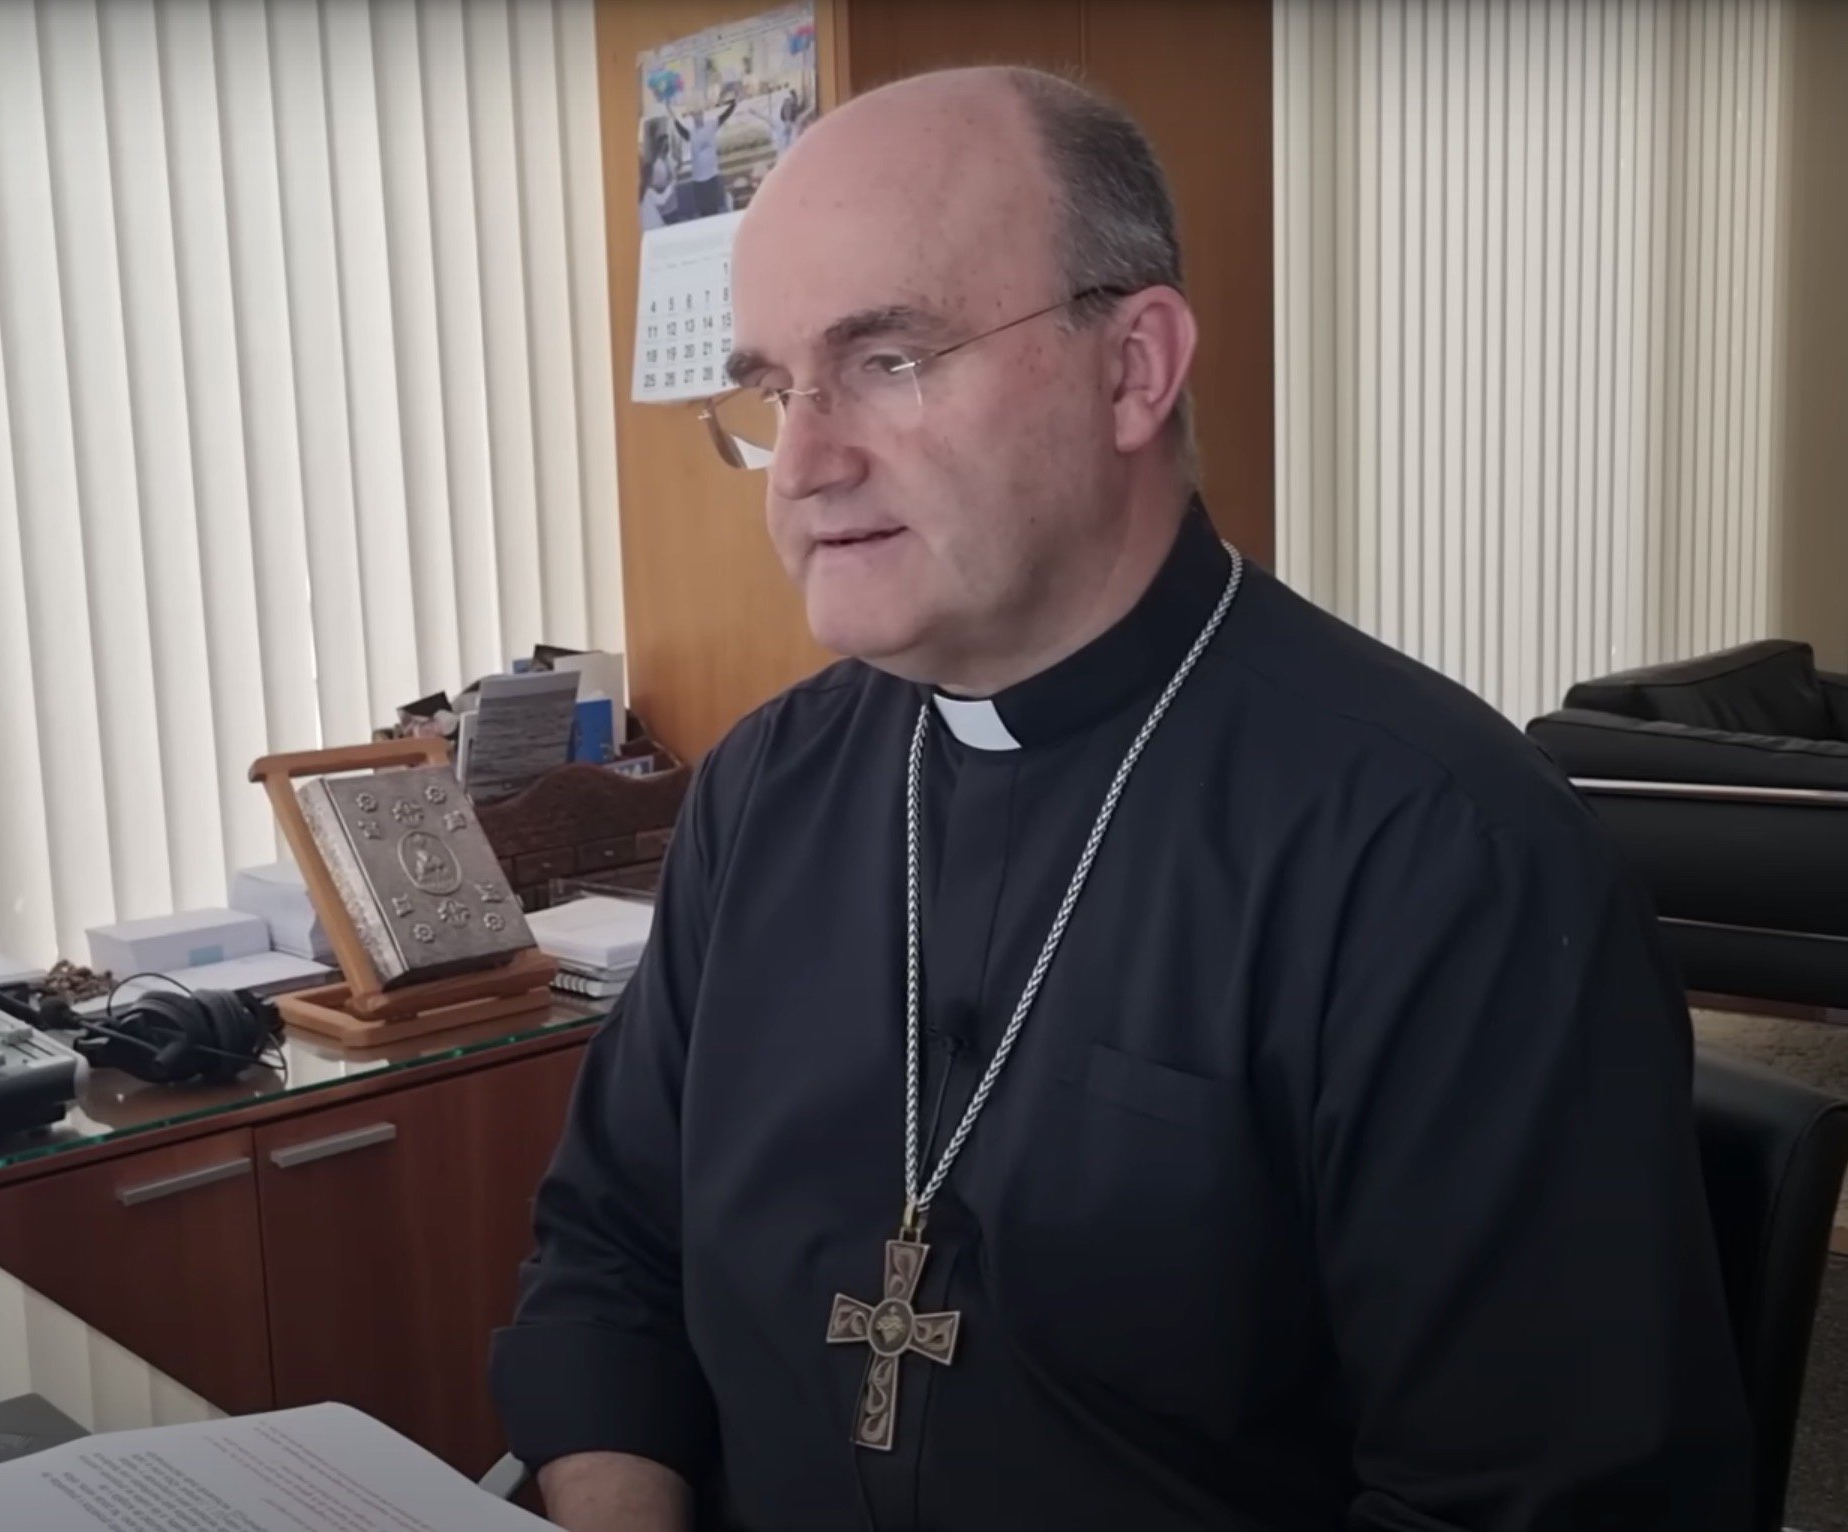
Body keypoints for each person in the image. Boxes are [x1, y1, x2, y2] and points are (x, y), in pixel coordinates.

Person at [489, 65, 1750, 1532]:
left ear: (1134, 368)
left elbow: (1530, 1501)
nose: (806, 466)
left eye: (888, 358)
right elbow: (610, 1259)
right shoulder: (762, 788)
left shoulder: (1441, 854)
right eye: (775, 390)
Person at [670, 92, 741, 219]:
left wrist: (735, 103)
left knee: (713, 209)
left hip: (712, 175)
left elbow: (725, 116)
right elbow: (679, 128)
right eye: (695, 115)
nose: (697, 117)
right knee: (703, 211)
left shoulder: (711, 125)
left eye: (699, 114)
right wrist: (671, 113)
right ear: (692, 117)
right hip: (699, 179)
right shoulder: (691, 134)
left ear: (702, 114)